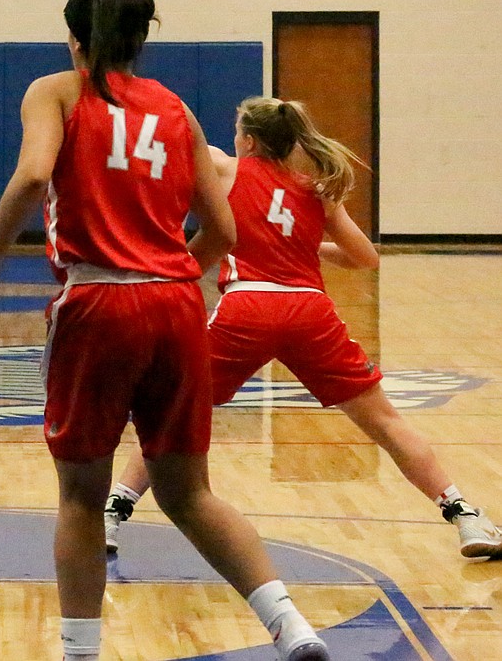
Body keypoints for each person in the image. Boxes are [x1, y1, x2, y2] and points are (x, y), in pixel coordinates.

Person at [0, 0, 329, 661]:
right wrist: (164, 265)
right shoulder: (176, 108)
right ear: (140, 39)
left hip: (99, 302)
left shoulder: (56, 91)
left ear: (74, 37)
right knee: (189, 491)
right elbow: (222, 231)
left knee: (81, 497)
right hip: (178, 301)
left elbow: (35, 174)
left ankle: (79, 651)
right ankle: (293, 628)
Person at [104, 97, 502, 559]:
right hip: (309, 310)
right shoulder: (317, 189)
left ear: (249, 140)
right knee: (386, 423)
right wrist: (305, 248)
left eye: (238, 132)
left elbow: (176, 140)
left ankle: (112, 512)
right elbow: (365, 258)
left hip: (248, 306)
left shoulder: (226, 167)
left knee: (173, 413)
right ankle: (465, 516)